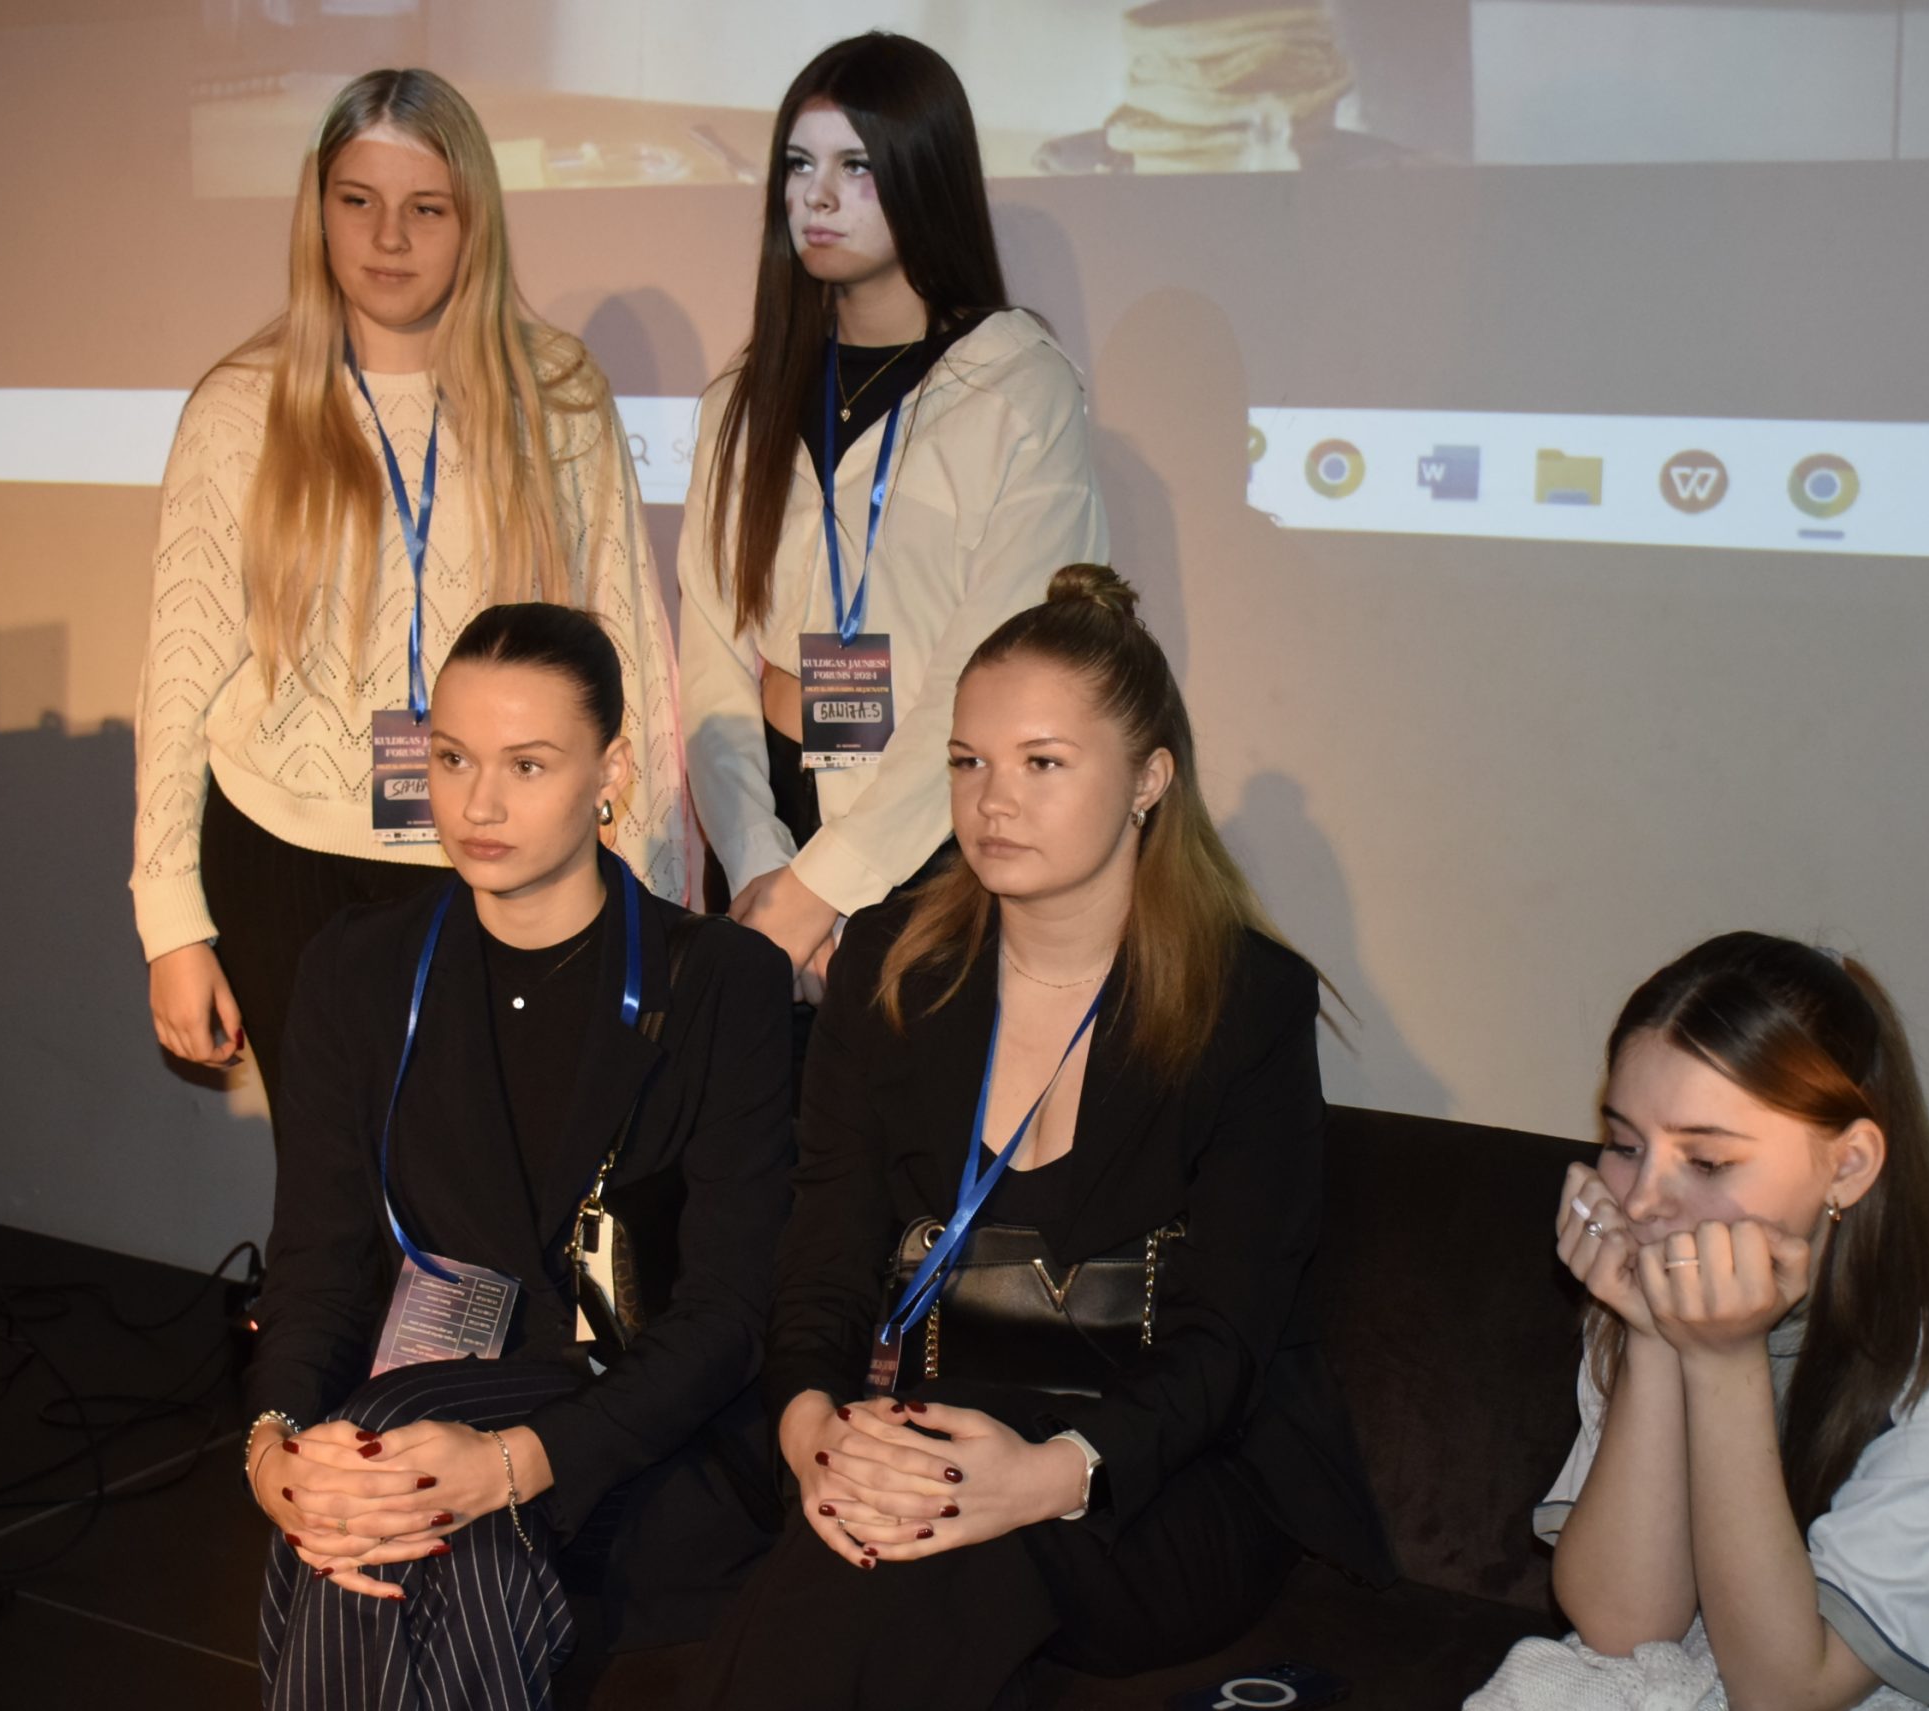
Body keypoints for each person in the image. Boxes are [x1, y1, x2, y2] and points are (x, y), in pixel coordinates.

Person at [699, 566, 1393, 1709]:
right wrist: (815, 1431)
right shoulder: (890, 964)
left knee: (911, 1529)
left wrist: (1043, 1475)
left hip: (1154, 1480)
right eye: (967, 762)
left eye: (1042, 763)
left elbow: (1228, 1340)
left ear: (1148, 779)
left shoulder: (1245, 1001)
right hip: (928, 1441)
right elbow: (822, 1257)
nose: (992, 802)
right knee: (896, 1534)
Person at [239, 604, 787, 1708]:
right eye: (452, 758)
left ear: (611, 772)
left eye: (527, 765)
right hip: (417, 1424)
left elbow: (727, 1316)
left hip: (637, 1436)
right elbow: (316, 1265)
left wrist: (510, 1462)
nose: (477, 805)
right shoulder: (357, 969)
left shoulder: (720, 980)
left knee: (397, 1492)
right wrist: (275, 1449)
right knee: (403, 1505)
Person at [133, 68, 688, 1111]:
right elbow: (179, 678)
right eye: (359, 201)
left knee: (501, 1175)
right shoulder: (239, 409)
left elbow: (625, 651)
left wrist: (651, 893)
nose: (389, 238)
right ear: (319, 212)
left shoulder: (559, 398)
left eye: (426, 208)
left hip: (501, 852)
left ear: (473, 221)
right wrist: (172, 925)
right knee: (330, 1187)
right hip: (285, 862)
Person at [1526, 932, 1929, 1710]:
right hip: (1751, 1655)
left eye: (1707, 1161)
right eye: (1626, 1143)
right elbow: (1625, 1627)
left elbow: (1789, 1692)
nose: (1640, 1201)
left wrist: (1724, 1361)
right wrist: (1653, 1339)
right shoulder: (1670, 1248)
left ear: (1849, 1164)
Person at [678, 31, 1108, 1005]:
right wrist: (759, 867)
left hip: (939, 837)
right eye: (799, 166)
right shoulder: (743, 398)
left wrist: (820, 893)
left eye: (857, 167)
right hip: (767, 835)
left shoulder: (1016, 388)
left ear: (926, 176)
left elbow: (994, 669)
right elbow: (709, 650)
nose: (818, 198)